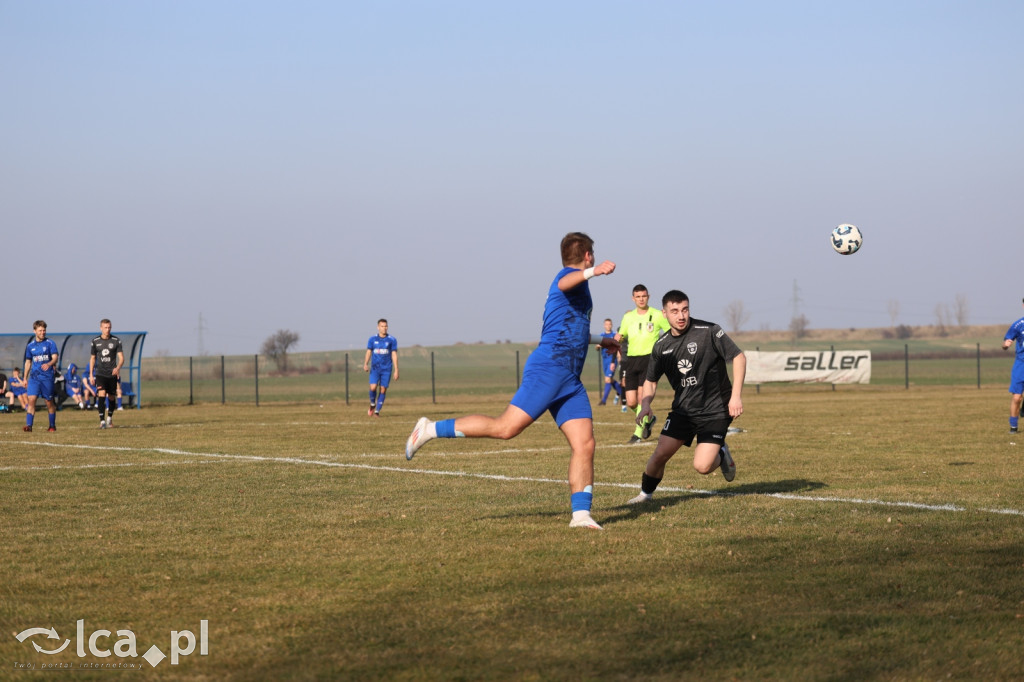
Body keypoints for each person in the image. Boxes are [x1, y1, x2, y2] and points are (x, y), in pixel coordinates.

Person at [404, 232, 618, 529]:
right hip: (549, 369)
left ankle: (580, 515)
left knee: (585, 444)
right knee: (505, 429)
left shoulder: (577, 287)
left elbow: (572, 327)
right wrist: (595, 272)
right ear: (587, 255)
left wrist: (602, 339)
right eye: (592, 255)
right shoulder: (568, 277)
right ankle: (429, 429)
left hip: (569, 378)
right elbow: (565, 282)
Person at [626, 290, 746, 504]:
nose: (681, 316)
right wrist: (645, 404)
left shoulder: (708, 331)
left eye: (684, 309)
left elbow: (738, 356)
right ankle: (645, 494)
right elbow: (651, 382)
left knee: (702, 466)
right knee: (660, 454)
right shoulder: (661, 346)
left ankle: (721, 453)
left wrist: (735, 397)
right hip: (684, 410)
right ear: (665, 314)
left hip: (715, 409)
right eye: (674, 311)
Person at [615, 284, 671, 443]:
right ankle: (648, 420)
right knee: (631, 401)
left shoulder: (657, 315)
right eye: (638, 297)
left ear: (648, 296)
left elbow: (669, 332)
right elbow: (621, 334)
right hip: (631, 360)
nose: (641, 299)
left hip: (649, 359)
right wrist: (610, 342)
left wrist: (663, 350)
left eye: (644, 296)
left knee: (641, 399)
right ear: (633, 299)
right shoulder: (628, 317)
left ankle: (637, 435)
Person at [23, 320, 60, 432]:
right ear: (35, 331)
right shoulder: (30, 346)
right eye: (40, 330)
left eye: (44, 330)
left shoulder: (50, 343)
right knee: (31, 400)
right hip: (34, 378)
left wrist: (49, 364)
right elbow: (28, 362)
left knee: (49, 402)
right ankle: (29, 426)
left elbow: (55, 357)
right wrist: (25, 378)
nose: (43, 332)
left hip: (47, 377)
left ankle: (52, 425)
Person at [89, 318, 124, 429]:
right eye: (105, 327)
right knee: (101, 394)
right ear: (101, 328)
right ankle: (102, 421)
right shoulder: (95, 341)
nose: (107, 329)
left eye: (109, 327)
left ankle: (109, 418)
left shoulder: (116, 341)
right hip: (100, 373)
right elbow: (92, 358)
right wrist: (91, 374)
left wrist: (118, 368)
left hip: (112, 374)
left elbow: (121, 358)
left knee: (112, 396)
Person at [363, 319, 399, 417]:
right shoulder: (372, 339)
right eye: (382, 326)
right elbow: (369, 352)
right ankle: (372, 404)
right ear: (378, 327)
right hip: (375, 368)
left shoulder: (392, 340)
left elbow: (394, 354)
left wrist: (396, 370)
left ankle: (377, 411)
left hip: (386, 368)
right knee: (373, 387)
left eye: (386, 326)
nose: (384, 328)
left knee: (383, 389)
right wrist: (366, 363)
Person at [1002, 298, 1024, 433]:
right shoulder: (1018, 325)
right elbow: (1005, 342)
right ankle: (1013, 426)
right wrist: (1006, 344)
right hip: (1021, 364)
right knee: (1017, 397)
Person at [596, 318, 622, 405]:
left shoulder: (614, 335)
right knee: (609, 380)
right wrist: (598, 346)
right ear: (604, 325)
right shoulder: (601, 335)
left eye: (609, 324)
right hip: (605, 360)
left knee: (608, 379)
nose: (608, 326)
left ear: (612, 325)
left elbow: (618, 347)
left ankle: (603, 401)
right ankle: (624, 394)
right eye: (606, 324)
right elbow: (596, 347)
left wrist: (618, 357)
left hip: (612, 360)